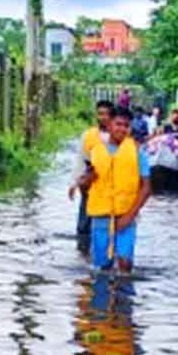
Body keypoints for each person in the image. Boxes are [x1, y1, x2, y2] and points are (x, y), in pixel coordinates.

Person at [78, 107, 153, 272]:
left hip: (126, 215)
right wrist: (85, 181)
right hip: (101, 216)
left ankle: (123, 296)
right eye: (118, 124)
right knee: (102, 265)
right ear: (110, 125)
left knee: (125, 264)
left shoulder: (136, 152)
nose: (122, 129)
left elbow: (146, 188)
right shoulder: (96, 151)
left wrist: (129, 216)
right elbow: (85, 186)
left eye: (126, 125)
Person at [69, 100, 114, 249]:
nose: (103, 117)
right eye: (100, 114)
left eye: (107, 114)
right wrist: (74, 183)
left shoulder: (118, 135)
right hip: (90, 182)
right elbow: (80, 160)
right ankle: (83, 250)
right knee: (84, 224)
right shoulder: (88, 136)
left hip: (110, 187)